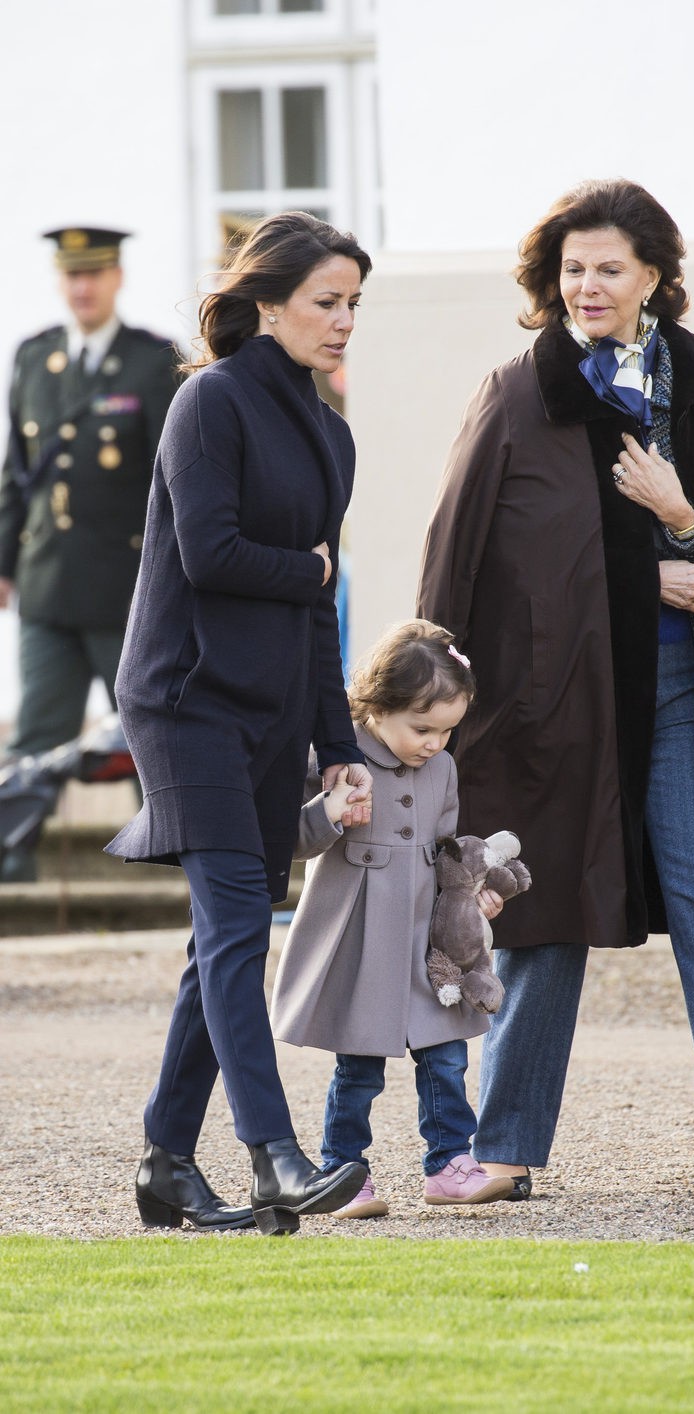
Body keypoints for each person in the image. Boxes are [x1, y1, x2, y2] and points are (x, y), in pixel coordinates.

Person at [417, 178, 694, 1203]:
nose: (587, 285)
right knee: (545, 915)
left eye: (608, 267)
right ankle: (507, 1149)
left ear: (653, 275)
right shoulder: (515, 392)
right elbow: (477, 557)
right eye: (571, 269)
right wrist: (432, 697)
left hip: (680, 698)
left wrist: (679, 518)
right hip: (552, 703)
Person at [105, 211, 375, 1236]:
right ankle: (273, 1156)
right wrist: (308, 570)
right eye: (326, 300)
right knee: (233, 934)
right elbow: (211, 555)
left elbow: (315, 610)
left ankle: (167, 1164)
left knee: (216, 944)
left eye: (354, 303)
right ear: (267, 303)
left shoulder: (330, 436)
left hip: (267, 714)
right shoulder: (206, 403)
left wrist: (339, 751)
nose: (345, 319)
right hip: (184, 699)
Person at [270, 620, 517, 1217]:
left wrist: (474, 896)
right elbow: (290, 840)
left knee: (447, 1054)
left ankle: (450, 1164)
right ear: (376, 708)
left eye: (447, 731)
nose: (434, 743)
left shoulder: (443, 770)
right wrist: (330, 811)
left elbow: (448, 853)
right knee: (358, 1064)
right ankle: (344, 1170)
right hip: (359, 936)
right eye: (422, 728)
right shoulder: (338, 758)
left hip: (426, 941)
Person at [0, 226, 181, 881]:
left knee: (146, 729)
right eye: (72, 274)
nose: (83, 286)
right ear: (60, 280)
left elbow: (175, 477)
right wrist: (2, 562)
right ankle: (11, 858)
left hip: (127, 589)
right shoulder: (34, 358)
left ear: (116, 278)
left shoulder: (152, 360)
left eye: (95, 273)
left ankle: (168, 857)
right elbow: (16, 472)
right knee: (36, 736)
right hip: (45, 583)